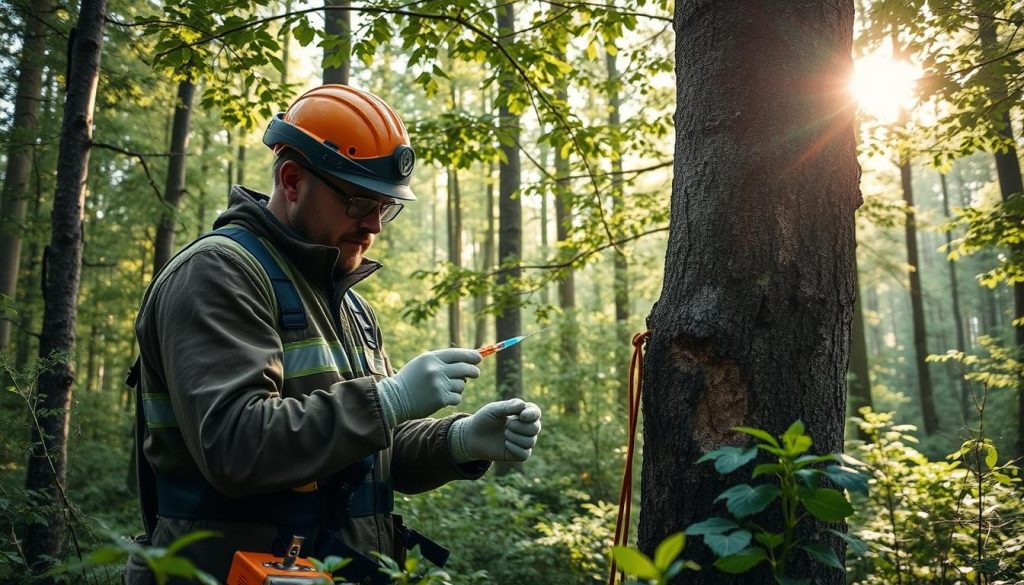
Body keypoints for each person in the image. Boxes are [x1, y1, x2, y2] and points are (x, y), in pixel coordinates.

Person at [123, 84, 542, 585]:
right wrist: (388, 399)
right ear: (293, 179)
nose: (374, 225)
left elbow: (364, 454)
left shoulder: (351, 307)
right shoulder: (218, 273)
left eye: (385, 206)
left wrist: (458, 440)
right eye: (359, 202)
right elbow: (236, 445)